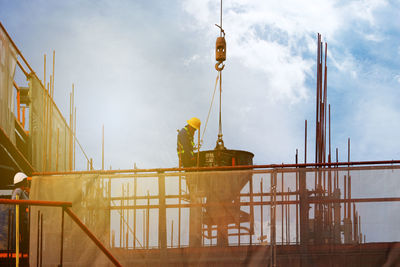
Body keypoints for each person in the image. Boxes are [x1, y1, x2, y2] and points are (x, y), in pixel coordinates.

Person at [11, 172, 30, 253]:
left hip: (24, 219)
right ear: (21, 182)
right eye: (25, 181)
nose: (27, 182)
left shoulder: (23, 192)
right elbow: (15, 199)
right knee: (23, 235)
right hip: (21, 219)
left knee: (25, 235)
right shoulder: (18, 190)